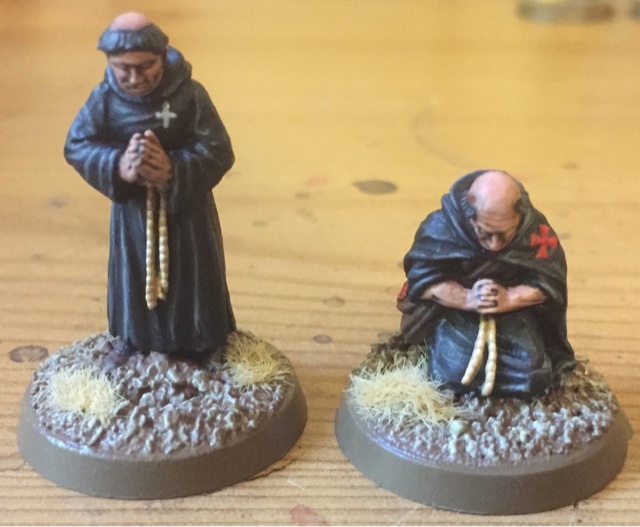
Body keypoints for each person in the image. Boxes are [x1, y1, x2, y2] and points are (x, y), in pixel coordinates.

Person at [64, 12, 236, 367]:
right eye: (122, 68)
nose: (134, 78)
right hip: (134, 215)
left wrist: (173, 169)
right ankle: (136, 341)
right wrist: (118, 166)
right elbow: (77, 145)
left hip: (186, 213)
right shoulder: (104, 99)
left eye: (145, 66)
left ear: (162, 56)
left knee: (192, 277)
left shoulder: (190, 95)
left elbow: (219, 150)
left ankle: (202, 343)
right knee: (135, 277)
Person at [397, 170, 575, 397]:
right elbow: (422, 280)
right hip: (457, 312)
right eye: (485, 233)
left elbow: (550, 283)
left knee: (533, 374)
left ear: (518, 217)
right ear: (469, 216)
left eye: (504, 234)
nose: (495, 244)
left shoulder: (535, 232)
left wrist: (510, 298)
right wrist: (466, 298)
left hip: (514, 315)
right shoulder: (442, 227)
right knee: (454, 371)